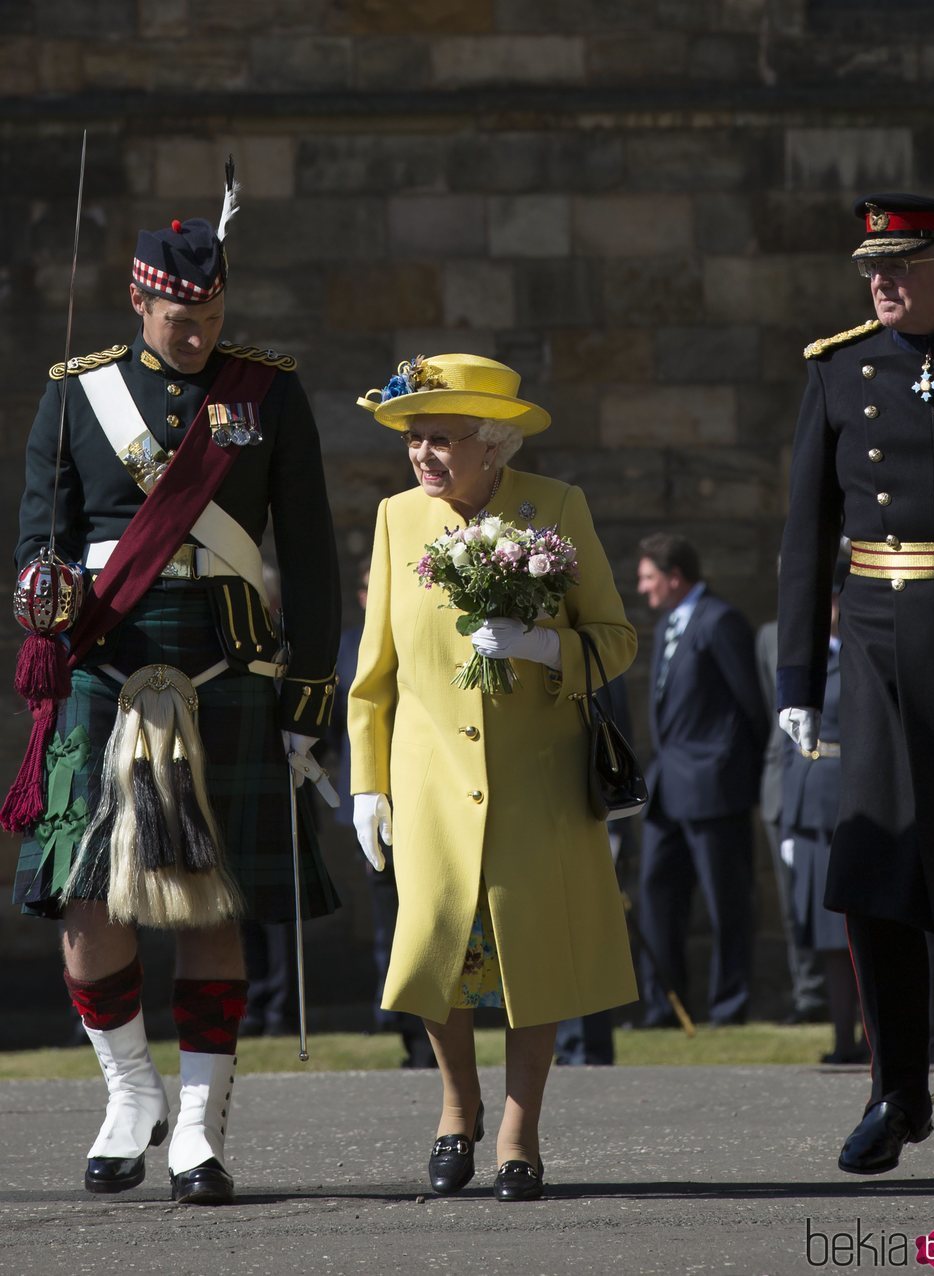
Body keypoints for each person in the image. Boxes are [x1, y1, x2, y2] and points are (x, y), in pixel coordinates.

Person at [7, 173, 341, 1204]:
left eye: (210, 315)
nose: (195, 333)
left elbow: (314, 556)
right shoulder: (77, 392)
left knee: (213, 898)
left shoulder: (267, 394)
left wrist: (307, 698)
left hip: (228, 666)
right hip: (107, 663)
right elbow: (35, 544)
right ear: (141, 303)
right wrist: (43, 594)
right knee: (85, 898)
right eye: (177, 316)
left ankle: (198, 1125)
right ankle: (129, 1092)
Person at [348, 353, 638, 1201]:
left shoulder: (556, 508)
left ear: (493, 445)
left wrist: (547, 646)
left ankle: (520, 1130)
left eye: (442, 439)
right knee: (442, 947)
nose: (424, 456)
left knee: (529, 956)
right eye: (415, 440)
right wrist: (368, 782)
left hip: (539, 782)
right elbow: (375, 676)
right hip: (432, 780)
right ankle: (455, 1106)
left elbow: (616, 637)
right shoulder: (398, 519)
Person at [777, 191, 934, 1175]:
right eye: (871, 268)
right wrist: (792, 684)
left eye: (899, 266)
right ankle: (894, 1091)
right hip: (869, 647)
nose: (880, 282)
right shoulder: (838, 367)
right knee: (875, 875)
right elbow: (805, 533)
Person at [636, 533, 768, 1027]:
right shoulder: (669, 621)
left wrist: (740, 773)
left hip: (715, 789)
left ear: (674, 578)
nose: (643, 590)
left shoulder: (721, 620)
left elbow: (752, 706)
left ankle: (729, 1007)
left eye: (649, 579)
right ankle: (663, 1006)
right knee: (656, 895)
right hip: (667, 789)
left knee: (726, 903)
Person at [327, 558, 435, 1068]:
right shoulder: (348, 645)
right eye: (367, 589)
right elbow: (335, 723)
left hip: (421, 795)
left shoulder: (414, 635)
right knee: (387, 917)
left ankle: (425, 1025)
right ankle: (398, 1021)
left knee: (427, 914)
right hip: (371, 801)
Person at [779, 555, 866, 1065]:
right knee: (826, 936)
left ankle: (872, 1036)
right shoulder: (803, 661)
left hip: (848, 806)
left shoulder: (858, 655)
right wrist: (789, 820)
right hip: (811, 812)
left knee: (857, 931)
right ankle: (842, 1040)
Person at [756, 597, 828, 1026]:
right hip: (782, 784)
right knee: (792, 902)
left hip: (831, 779)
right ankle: (809, 991)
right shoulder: (768, 636)